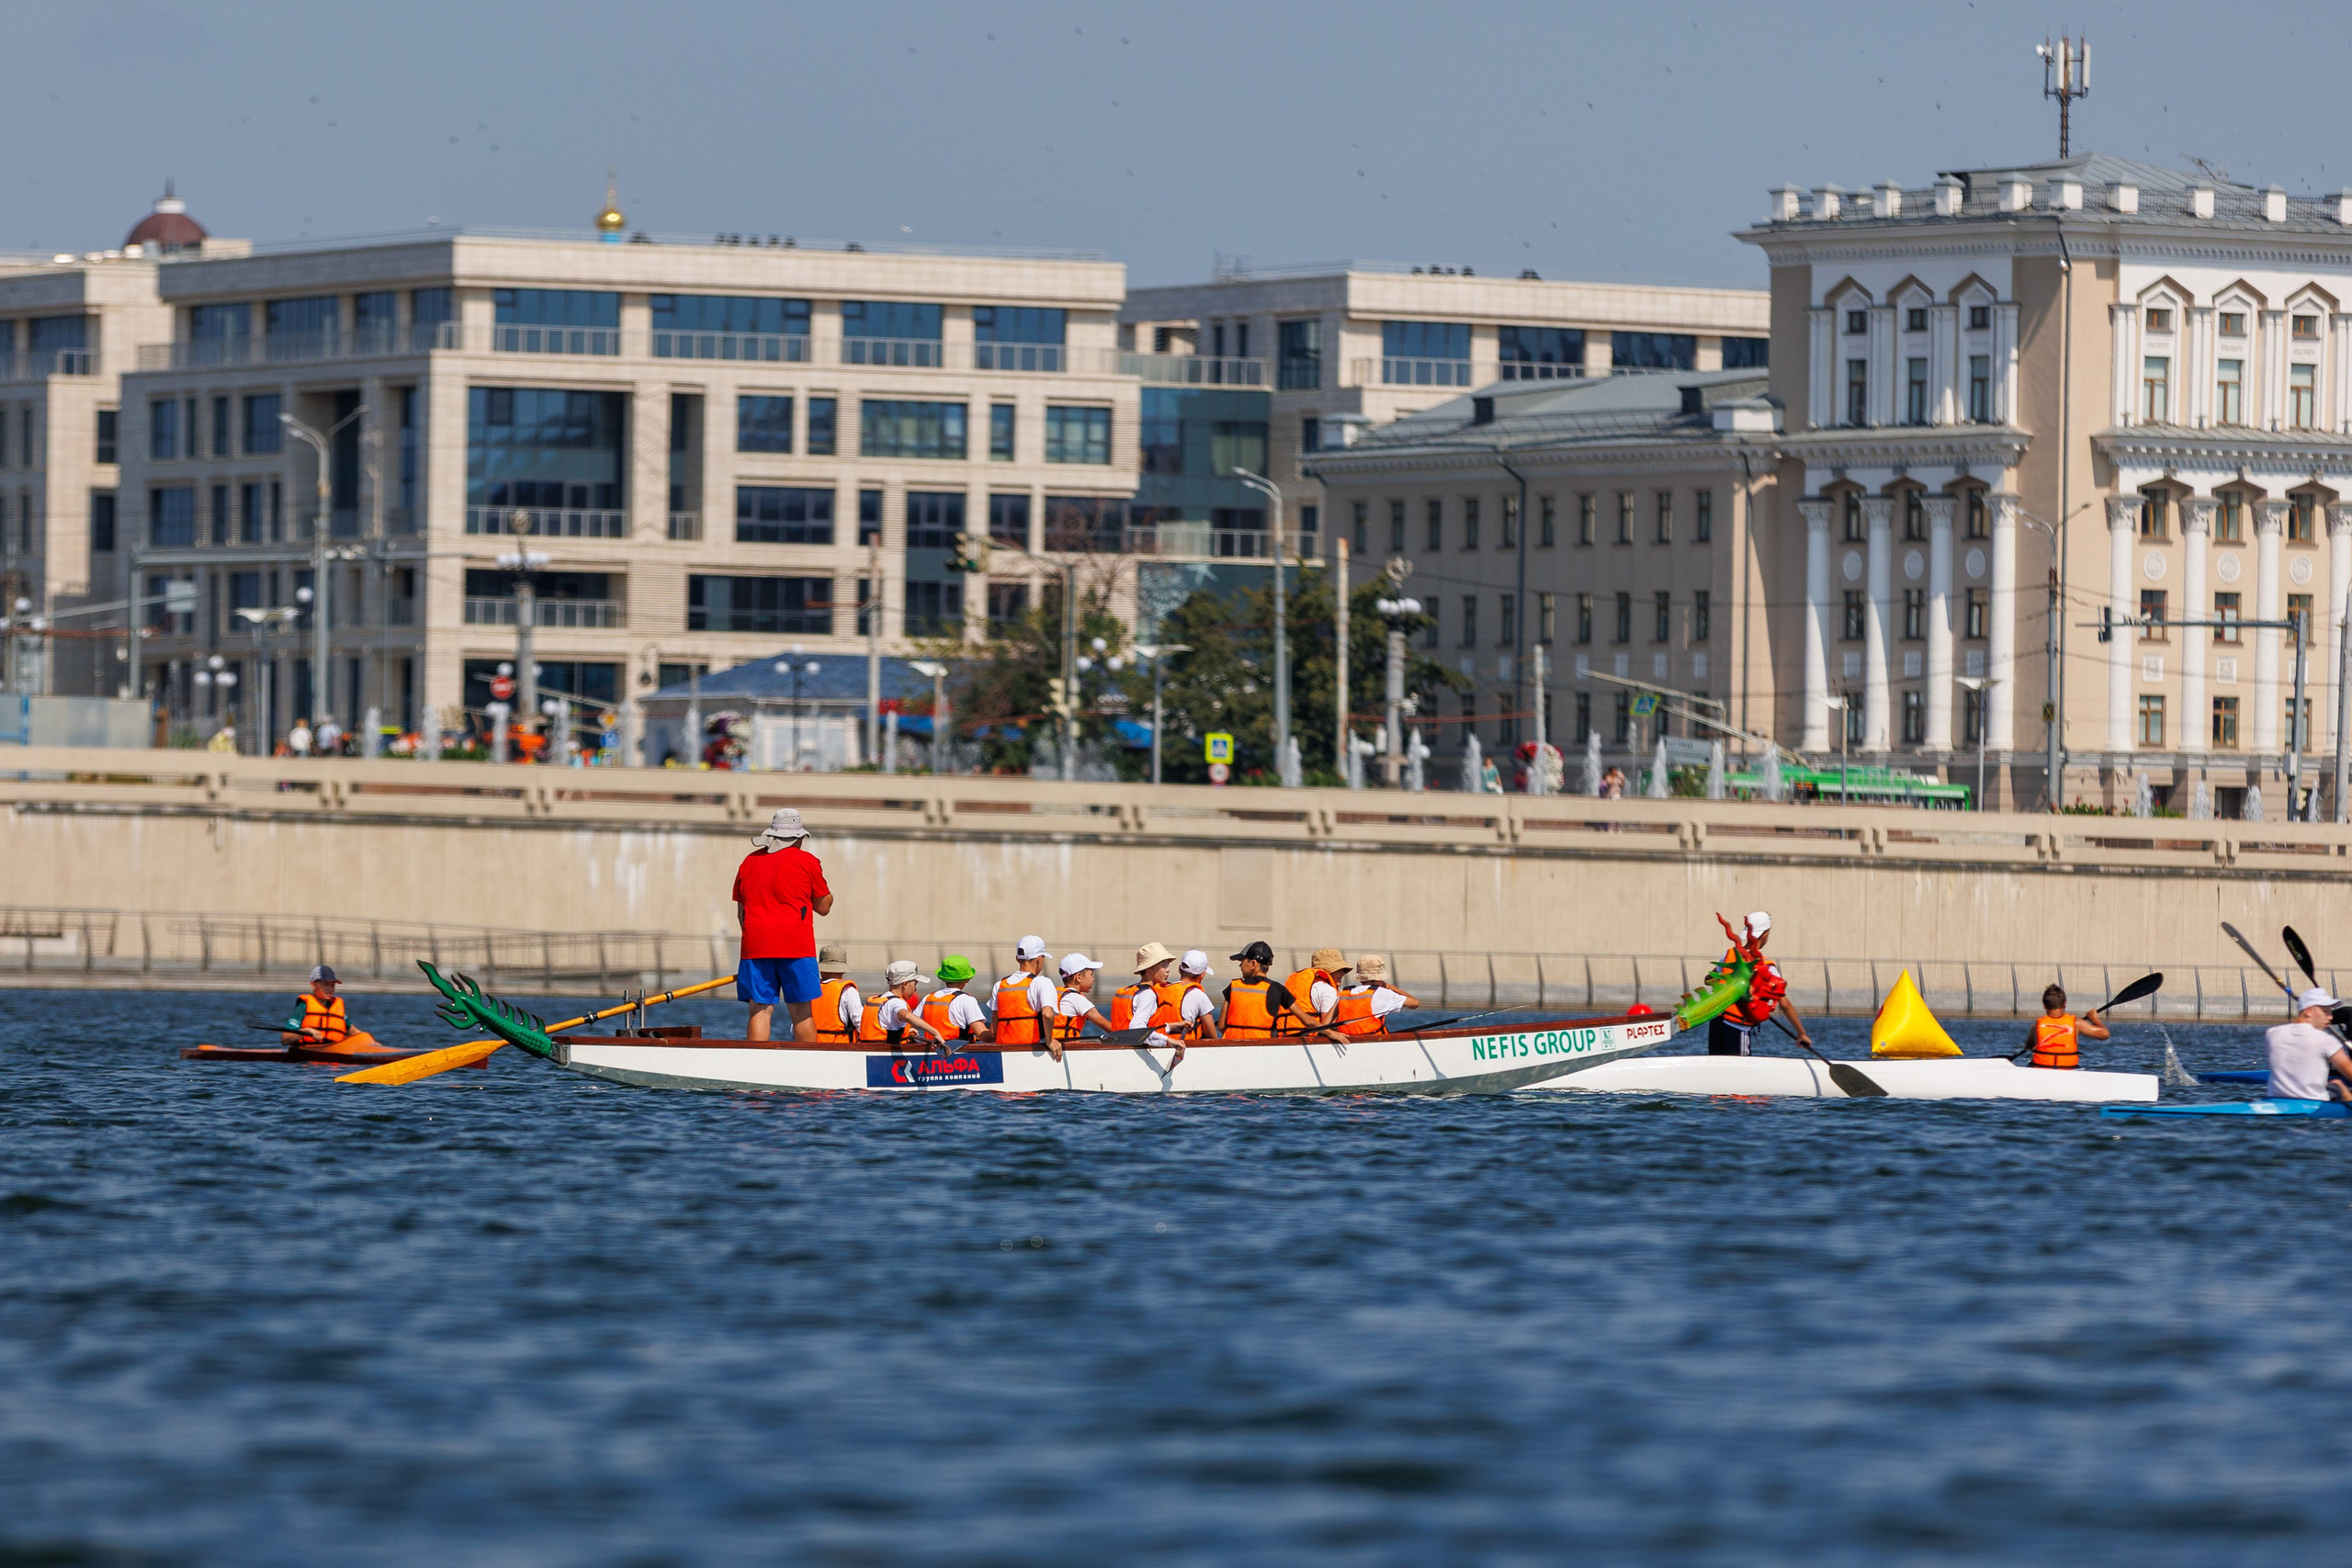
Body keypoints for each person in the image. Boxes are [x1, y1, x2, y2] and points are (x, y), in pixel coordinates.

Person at [732, 807, 833, 1043]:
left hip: (755, 947)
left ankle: (757, 1066)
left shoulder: (748, 862)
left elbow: (742, 914)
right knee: (801, 1011)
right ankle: (808, 1067)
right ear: (798, 837)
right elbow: (824, 907)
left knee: (759, 1009)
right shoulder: (807, 861)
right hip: (796, 947)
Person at [1707, 910, 1815, 1058]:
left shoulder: (1729, 954)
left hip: (1718, 1023)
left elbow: (1708, 979)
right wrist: (1801, 1033)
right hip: (1737, 1027)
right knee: (1739, 1071)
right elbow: (1784, 1004)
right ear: (1765, 935)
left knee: (1718, 1067)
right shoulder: (1766, 966)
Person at [1220, 941, 1321, 1039]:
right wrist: (1331, 1033)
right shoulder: (1278, 989)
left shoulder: (1233, 987)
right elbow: (1307, 1021)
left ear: (1253, 964)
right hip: (1264, 1049)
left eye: (1242, 961)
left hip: (1233, 1049)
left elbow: (1221, 1026)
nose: (1240, 966)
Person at [2267, 987, 2352, 1101]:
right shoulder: (2326, 1040)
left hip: (2276, 1100)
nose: (2331, 1017)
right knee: (2337, 1083)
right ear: (2309, 1012)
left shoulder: (2272, 1034)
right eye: (2326, 1011)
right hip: (2316, 1103)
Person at [281, 964, 379, 1053]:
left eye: (332, 985)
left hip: (334, 1055)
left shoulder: (337, 1007)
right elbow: (285, 1039)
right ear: (313, 985)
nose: (329, 989)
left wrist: (372, 1044)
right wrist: (306, 1031)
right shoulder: (303, 1006)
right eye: (325, 984)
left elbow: (355, 1033)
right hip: (307, 1056)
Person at [990, 935, 1059, 1053]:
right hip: (1033, 1049)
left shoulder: (999, 985)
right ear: (1039, 959)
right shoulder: (1042, 982)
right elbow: (1047, 1014)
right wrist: (1050, 1041)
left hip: (1003, 1051)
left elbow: (993, 1031)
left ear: (1017, 958)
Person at [2024, 983, 2110, 1070]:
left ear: (2044, 1005)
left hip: (2042, 1070)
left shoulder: (2037, 1026)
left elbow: (2029, 1046)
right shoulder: (2076, 1023)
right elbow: (2105, 1034)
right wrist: (2094, 1019)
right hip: (2068, 1071)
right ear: (2064, 1004)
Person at [1333, 953, 1419, 1036]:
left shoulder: (1344, 993)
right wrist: (1388, 986)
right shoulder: (1384, 993)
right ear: (1381, 976)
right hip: (1372, 1040)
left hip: (1347, 1040)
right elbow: (1415, 1003)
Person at [875, 961, 950, 1047]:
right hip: (885, 1054)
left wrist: (905, 1032)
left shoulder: (883, 998)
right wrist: (935, 1033)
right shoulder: (897, 1002)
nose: (915, 989)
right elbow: (907, 1016)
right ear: (905, 984)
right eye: (915, 984)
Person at [918, 955, 991, 1043]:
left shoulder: (928, 998)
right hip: (957, 1051)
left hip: (931, 1050)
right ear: (968, 979)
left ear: (943, 979)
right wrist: (997, 1031)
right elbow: (984, 1037)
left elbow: (909, 1022)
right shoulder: (966, 1000)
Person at [1278, 947, 1348, 1037]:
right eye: (1339, 970)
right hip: (1311, 1042)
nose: (1342, 974)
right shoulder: (1327, 990)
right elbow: (1329, 1027)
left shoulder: (1301, 985)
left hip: (1285, 1037)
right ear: (1327, 970)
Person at [810, 944, 861, 1044]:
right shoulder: (848, 990)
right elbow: (860, 1021)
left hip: (812, 1047)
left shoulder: (810, 989)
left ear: (821, 969)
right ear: (842, 969)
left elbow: (794, 1029)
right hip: (840, 1049)